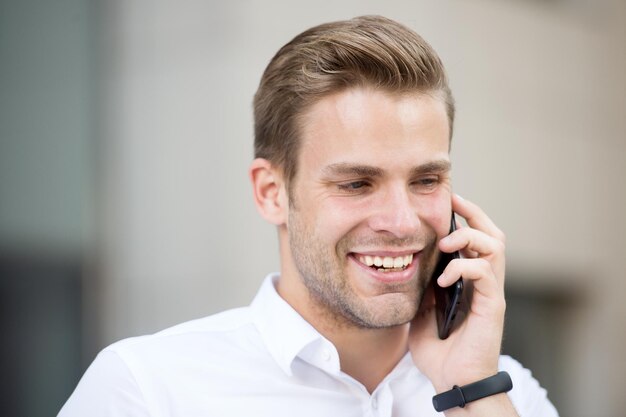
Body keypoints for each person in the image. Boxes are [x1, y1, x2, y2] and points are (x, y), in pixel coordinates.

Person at [59, 15, 558, 416]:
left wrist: (470, 391)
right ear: (272, 192)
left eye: (426, 180)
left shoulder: (502, 390)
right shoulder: (147, 390)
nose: (403, 222)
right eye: (356, 184)